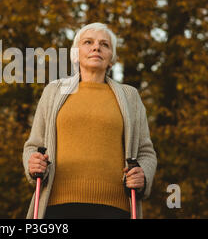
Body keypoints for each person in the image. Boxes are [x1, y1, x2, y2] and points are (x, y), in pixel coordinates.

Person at [23, 22, 157, 219]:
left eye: (105, 44)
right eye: (88, 42)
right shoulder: (54, 91)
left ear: (112, 59)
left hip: (114, 207)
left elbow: (146, 152)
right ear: (76, 54)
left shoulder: (130, 96)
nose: (96, 47)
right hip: (58, 205)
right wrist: (32, 163)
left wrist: (142, 175)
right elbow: (33, 147)